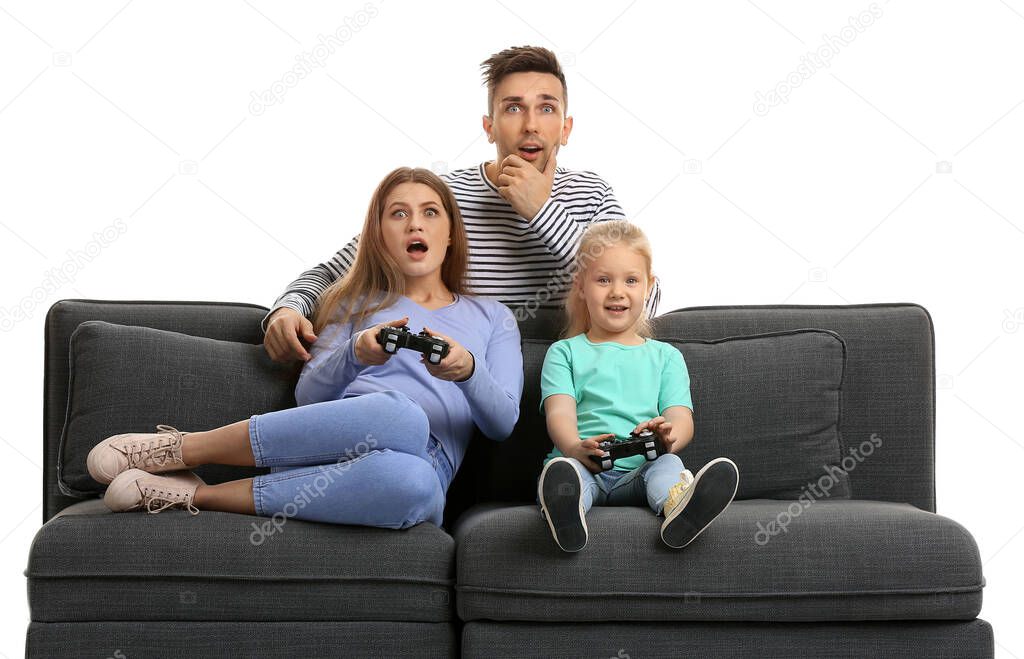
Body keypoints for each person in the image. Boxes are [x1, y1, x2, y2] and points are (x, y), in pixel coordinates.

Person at [86, 167, 524, 529]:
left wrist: (466, 370)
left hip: (421, 465)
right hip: (332, 441)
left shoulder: (492, 317)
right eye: (398, 214)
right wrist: (356, 353)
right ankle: (182, 449)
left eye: (430, 213)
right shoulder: (351, 302)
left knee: (417, 483)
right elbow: (308, 397)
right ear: (378, 235)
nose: (415, 224)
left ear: (450, 233)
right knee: (402, 415)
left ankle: (196, 493)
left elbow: (503, 422)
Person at [263, 45, 661, 363]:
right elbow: (343, 267)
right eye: (513, 108)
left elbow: (647, 303)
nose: (531, 125)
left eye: (546, 108)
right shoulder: (443, 197)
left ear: (566, 128)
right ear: (489, 128)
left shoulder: (592, 193)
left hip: (568, 371)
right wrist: (288, 308)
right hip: (457, 368)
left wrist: (543, 212)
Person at [535, 220, 738, 551]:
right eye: (603, 280)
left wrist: (666, 436)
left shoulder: (666, 357)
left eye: (631, 280)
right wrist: (574, 448)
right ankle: (566, 512)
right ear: (581, 286)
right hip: (587, 464)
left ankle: (680, 509)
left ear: (648, 286)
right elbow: (559, 413)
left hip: (641, 469)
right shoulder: (565, 352)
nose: (617, 291)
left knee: (668, 465)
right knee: (564, 472)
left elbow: (682, 419)